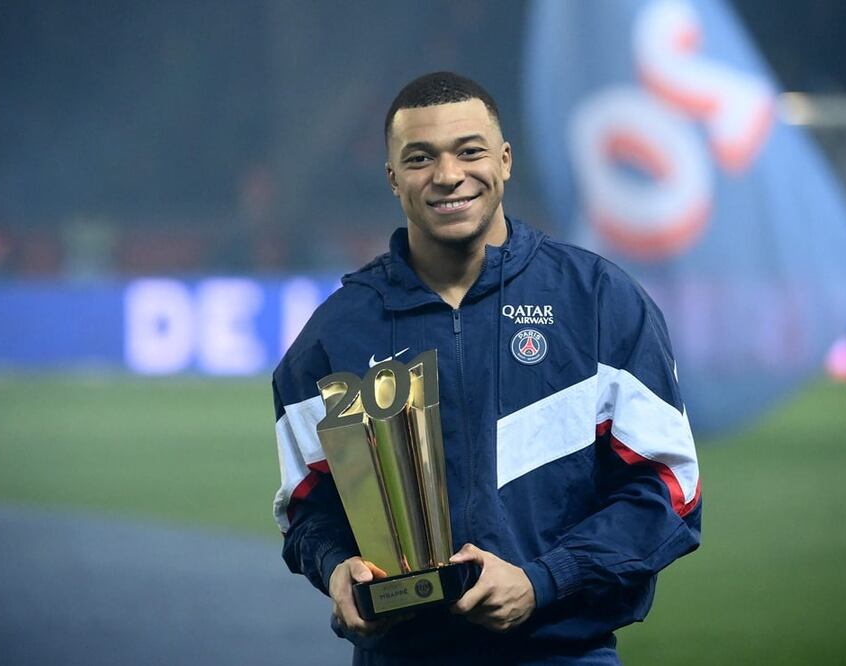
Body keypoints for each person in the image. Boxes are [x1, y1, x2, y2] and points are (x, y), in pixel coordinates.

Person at [272, 72, 701, 665]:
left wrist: (543, 581)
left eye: (469, 151)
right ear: (393, 177)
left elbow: (668, 488)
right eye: (420, 158)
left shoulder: (598, 303)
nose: (448, 176)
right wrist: (335, 566)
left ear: (504, 161)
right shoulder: (335, 335)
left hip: (563, 654)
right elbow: (309, 506)